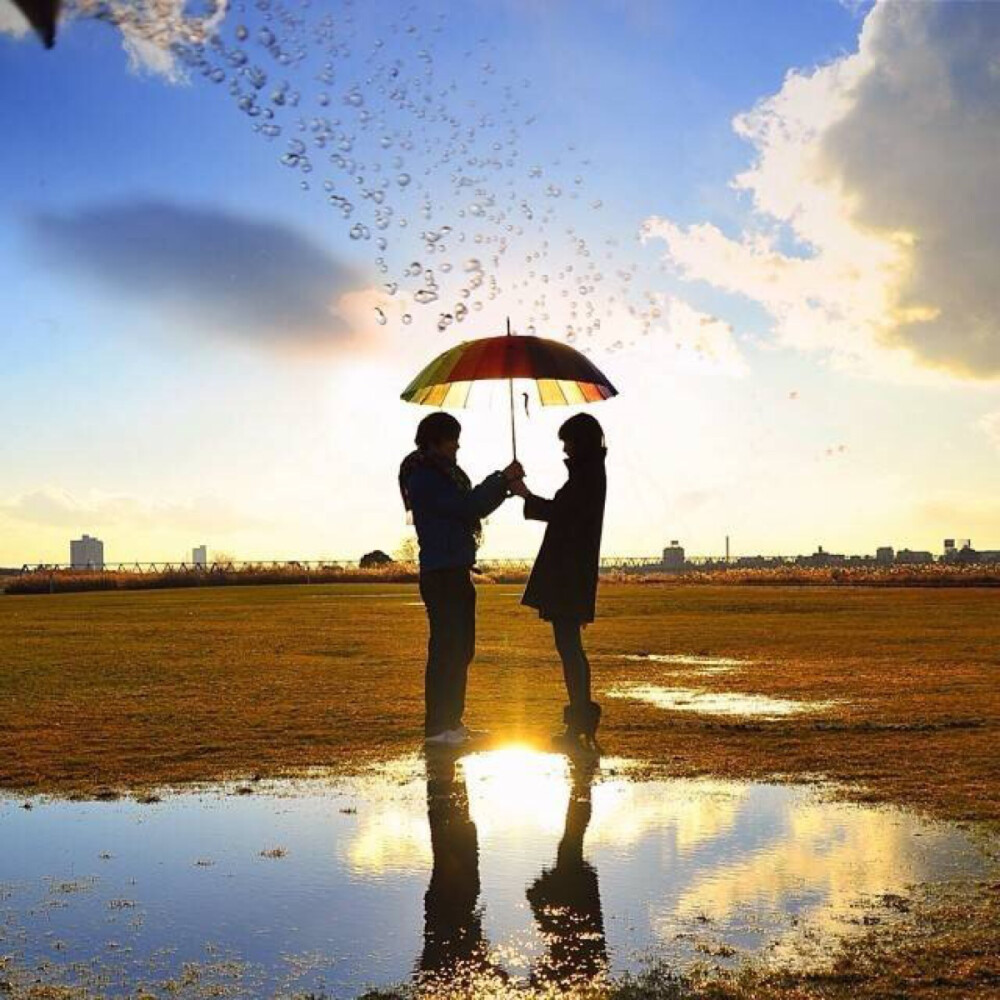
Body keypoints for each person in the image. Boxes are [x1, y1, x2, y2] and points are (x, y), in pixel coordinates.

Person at [399, 412, 523, 747]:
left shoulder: (440, 474)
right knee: (446, 651)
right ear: (435, 441)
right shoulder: (425, 477)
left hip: (454, 570)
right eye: (452, 438)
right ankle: (439, 728)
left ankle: (451, 723)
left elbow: (472, 506)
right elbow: (468, 507)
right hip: (442, 574)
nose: (457, 445)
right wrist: (501, 479)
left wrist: (502, 485)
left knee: (460, 650)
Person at [509, 413, 607, 752]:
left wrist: (524, 494)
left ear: (580, 442)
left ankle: (580, 725)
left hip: (569, 572)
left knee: (569, 649)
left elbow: (561, 513)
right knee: (568, 648)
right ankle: (579, 724)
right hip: (571, 571)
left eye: (568, 441)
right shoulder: (589, 472)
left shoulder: (587, 475)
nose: (564, 447)